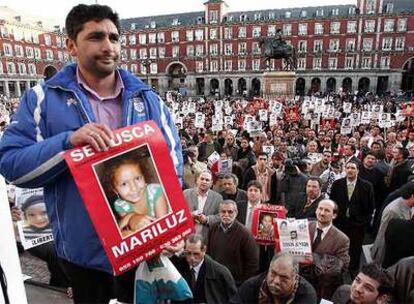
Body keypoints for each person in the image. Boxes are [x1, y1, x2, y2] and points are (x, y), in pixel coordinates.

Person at [0, 4, 183, 303]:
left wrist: (171, 226)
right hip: (83, 255)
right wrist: (67, 143)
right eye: (96, 37)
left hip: (142, 248)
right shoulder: (41, 99)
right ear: (71, 45)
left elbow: (172, 167)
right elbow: (11, 165)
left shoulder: (148, 100)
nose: (108, 45)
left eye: (113, 37)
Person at [330, 161, 375, 276]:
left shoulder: (367, 186)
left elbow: (371, 207)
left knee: (355, 249)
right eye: (348, 167)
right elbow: (332, 203)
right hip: (340, 223)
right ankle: (338, 269)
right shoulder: (337, 184)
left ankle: (353, 269)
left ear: (358, 170)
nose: (350, 170)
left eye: (353, 168)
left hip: (358, 225)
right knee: (338, 247)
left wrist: (364, 222)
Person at [104, 158, 169, 236]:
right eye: (124, 184)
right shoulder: (120, 205)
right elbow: (120, 229)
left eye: (137, 178)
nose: (134, 188)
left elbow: (164, 227)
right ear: (115, 190)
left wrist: (130, 217)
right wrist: (130, 219)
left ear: (144, 177)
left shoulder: (156, 191)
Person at [304, 199, 350, 299]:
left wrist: (316, 259)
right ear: (316, 210)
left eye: (327, 210)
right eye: (320, 209)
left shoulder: (342, 239)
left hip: (322, 288)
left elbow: (343, 266)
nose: (322, 213)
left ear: (334, 215)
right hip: (301, 281)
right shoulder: (304, 226)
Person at [172, 234, 237, 304]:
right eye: (188, 253)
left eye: (196, 254)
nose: (192, 258)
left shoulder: (220, 273)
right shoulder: (177, 266)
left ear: (204, 250)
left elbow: (234, 299)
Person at [207, 200, 259, 286]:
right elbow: (208, 253)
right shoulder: (213, 228)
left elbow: (253, 263)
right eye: (223, 211)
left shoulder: (245, 234)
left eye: (230, 212)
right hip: (215, 280)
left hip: (235, 283)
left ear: (236, 213)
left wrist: (243, 284)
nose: (226, 215)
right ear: (219, 213)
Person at [230, 252, 317, 304]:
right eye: (273, 273)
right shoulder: (252, 286)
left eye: (284, 277)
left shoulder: (306, 294)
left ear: (295, 277)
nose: (276, 281)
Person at [370, 182, 414, 266]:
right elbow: (383, 236)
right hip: (384, 254)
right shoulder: (393, 211)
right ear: (412, 196)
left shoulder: (407, 205)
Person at [183, 170, 222, 240]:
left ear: (211, 183)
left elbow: (220, 216)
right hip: (187, 234)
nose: (204, 182)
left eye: (207, 180)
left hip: (207, 236)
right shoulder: (186, 194)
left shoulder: (218, 198)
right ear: (197, 180)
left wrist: (207, 219)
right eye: (202, 179)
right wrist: (190, 215)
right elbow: (178, 211)